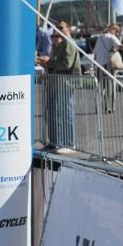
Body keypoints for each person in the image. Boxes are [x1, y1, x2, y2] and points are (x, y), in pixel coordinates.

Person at [42, 20, 81, 154]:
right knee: (54, 113)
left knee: (65, 113)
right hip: (57, 82)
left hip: (66, 83)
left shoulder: (68, 43)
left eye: (60, 27)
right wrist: (47, 62)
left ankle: (69, 143)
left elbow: (66, 64)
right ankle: (55, 142)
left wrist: (50, 62)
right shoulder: (59, 45)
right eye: (55, 29)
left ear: (68, 29)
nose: (57, 30)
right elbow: (57, 63)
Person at [92, 24, 122, 112]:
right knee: (111, 87)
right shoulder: (112, 37)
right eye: (117, 31)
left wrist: (94, 66)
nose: (117, 34)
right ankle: (110, 107)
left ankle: (99, 106)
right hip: (108, 66)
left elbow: (95, 53)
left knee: (101, 88)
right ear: (113, 30)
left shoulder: (99, 38)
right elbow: (120, 46)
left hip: (99, 66)